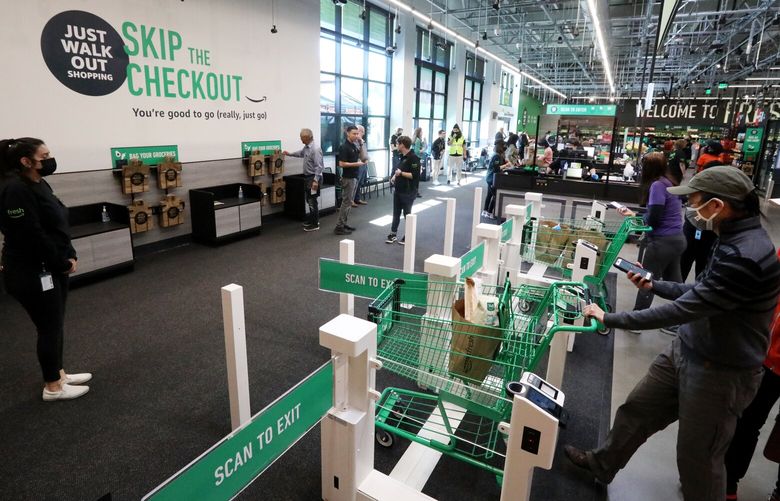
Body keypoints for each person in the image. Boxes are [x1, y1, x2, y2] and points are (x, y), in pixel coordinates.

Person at [565, 166, 780, 501]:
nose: (689, 209)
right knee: (637, 410)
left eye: (693, 201)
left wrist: (610, 317)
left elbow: (684, 310)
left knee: (699, 460)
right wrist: (655, 284)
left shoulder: (747, 255)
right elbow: (701, 293)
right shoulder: (730, 240)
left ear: (717, 206)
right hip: (688, 349)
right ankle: (601, 464)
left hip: (720, 373)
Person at [0, 138, 91, 401]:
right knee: (49, 327)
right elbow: (32, 236)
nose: (50, 159)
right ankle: (53, 386)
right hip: (32, 272)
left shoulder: (40, 183)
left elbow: (57, 221)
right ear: (25, 161)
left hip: (53, 266)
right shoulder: (15, 190)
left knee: (55, 323)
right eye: (45, 155)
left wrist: (69, 253)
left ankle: (59, 373)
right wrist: (60, 262)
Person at [725, 264, 780, 501]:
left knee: (748, 423)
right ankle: (728, 484)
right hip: (768, 356)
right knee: (747, 422)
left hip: (769, 356)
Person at [616, 153, 685, 325]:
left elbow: (654, 217)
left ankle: (637, 320)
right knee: (676, 284)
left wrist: (635, 216)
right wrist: (636, 215)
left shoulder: (657, 185)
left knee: (646, 279)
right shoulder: (669, 182)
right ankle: (682, 321)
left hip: (662, 241)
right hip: (677, 239)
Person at [282, 128, 324, 231]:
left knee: (312, 201)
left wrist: (315, 181)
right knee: (309, 200)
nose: (301, 140)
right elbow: (300, 153)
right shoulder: (306, 148)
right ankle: (313, 220)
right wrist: (289, 154)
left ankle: (315, 224)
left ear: (307, 137)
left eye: (302, 138)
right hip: (308, 178)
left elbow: (319, 166)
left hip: (313, 178)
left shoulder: (315, 149)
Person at [385, 136, 420, 245]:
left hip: (408, 191)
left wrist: (401, 173)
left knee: (407, 214)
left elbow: (414, 175)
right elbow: (399, 171)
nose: (396, 146)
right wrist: (395, 177)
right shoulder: (402, 157)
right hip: (399, 190)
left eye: (397, 144)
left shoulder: (414, 158)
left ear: (402, 145)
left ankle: (408, 235)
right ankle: (393, 234)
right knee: (396, 213)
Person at [334, 125, 365, 235]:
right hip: (348, 178)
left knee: (348, 203)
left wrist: (361, 143)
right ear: (348, 133)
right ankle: (339, 226)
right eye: (354, 134)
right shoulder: (344, 147)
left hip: (354, 177)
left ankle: (343, 223)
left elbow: (364, 157)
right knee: (346, 203)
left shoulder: (354, 145)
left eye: (357, 134)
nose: (356, 135)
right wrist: (357, 164)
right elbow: (341, 164)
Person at [482, 141, 511, 219]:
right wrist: (506, 165)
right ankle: (489, 212)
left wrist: (505, 163)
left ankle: (485, 211)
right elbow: (496, 168)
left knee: (489, 195)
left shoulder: (498, 155)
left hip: (491, 177)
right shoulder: (496, 156)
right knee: (495, 196)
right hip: (492, 178)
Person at [352, 124, 369, 207]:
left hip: (364, 164)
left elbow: (365, 152)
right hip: (358, 164)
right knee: (355, 182)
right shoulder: (355, 142)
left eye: (358, 131)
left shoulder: (362, 141)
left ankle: (357, 199)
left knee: (360, 183)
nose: (357, 133)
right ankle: (351, 200)